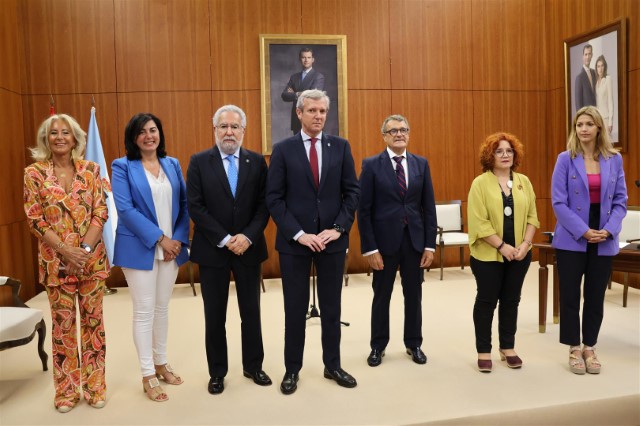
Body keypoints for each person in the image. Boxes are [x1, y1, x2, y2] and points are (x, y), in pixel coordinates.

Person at [266, 89, 360, 395]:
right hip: (295, 244)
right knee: (294, 310)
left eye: (322, 111)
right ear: (299, 113)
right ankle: (292, 369)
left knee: (332, 309)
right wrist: (299, 233)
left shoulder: (341, 147)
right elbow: (274, 198)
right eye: (312, 111)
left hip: (331, 242)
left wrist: (338, 229)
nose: (318, 116)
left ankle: (332, 365)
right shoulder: (283, 149)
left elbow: (352, 193)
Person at [23, 114, 110, 412]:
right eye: (53, 133)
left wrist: (83, 250)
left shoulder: (92, 169)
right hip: (55, 263)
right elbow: (34, 219)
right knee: (62, 329)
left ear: (75, 139)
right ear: (46, 140)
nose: (60, 137)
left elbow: (101, 212)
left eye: (66, 133)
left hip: (91, 260)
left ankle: (95, 388)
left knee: (93, 325)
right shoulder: (33, 173)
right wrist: (66, 252)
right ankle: (66, 392)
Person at [186, 105, 271, 395]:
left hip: (249, 249)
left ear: (244, 131)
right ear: (215, 130)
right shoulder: (199, 161)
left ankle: (253, 366)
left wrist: (246, 237)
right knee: (215, 315)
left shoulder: (257, 162)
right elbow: (196, 207)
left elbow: (264, 206)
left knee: (251, 312)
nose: (229, 132)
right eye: (223, 126)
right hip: (213, 250)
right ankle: (218, 372)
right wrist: (224, 238)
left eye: (235, 127)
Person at [111, 113, 190, 402]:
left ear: (160, 134)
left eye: (153, 130)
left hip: (172, 249)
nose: (148, 136)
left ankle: (161, 362)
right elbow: (126, 210)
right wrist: (161, 239)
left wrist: (177, 240)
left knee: (162, 309)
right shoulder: (122, 166)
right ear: (133, 138)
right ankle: (147, 373)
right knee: (144, 312)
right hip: (141, 248)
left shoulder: (172, 164)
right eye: (141, 132)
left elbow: (184, 204)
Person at [551, 106, 627, 375]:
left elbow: (620, 201)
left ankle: (590, 346)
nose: (583, 129)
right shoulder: (565, 159)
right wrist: (583, 230)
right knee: (570, 295)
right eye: (579, 124)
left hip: (604, 235)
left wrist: (609, 230)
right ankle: (573, 347)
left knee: (595, 296)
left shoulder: (614, 160)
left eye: (588, 124)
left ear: (598, 128)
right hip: (573, 235)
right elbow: (558, 202)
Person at [358, 114, 437, 368]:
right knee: (382, 295)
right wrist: (370, 248)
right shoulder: (371, 165)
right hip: (383, 245)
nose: (399, 134)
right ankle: (377, 346)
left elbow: (428, 207)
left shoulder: (421, 164)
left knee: (414, 295)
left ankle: (414, 343)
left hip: (414, 242)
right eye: (393, 131)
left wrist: (429, 244)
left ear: (409, 133)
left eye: (403, 129)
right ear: (384, 136)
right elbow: (364, 210)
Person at [467, 132, 539, 373]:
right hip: (488, 255)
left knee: (511, 301)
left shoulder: (523, 182)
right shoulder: (480, 183)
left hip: (519, 254)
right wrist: (502, 246)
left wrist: (525, 245)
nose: (505, 155)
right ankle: (483, 350)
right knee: (487, 301)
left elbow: (532, 217)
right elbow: (479, 222)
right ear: (491, 155)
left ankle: (507, 347)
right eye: (499, 151)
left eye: (509, 151)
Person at [281, 47, 325, 134]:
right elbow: (284, 95)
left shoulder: (318, 77)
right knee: (296, 146)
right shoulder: (294, 77)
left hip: (311, 118)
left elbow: (313, 96)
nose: (306, 60)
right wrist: (299, 94)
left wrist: (294, 93)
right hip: (296, 118)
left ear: (313, 60)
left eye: (308, 57)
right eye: (303, 57)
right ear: (300, 59)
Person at [595, 55, 614, 135]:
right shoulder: (595, 82)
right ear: (596, 68)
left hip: (605, 119)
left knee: (606, 145)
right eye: (598, 66)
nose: (600, 69)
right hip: (596, 119)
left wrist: (610, 121)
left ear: (605, 67)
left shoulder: (607, 79)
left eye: (602, 66)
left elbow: (610, 101)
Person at [575, 44, 597, 111]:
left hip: (596, 115)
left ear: (592, 55)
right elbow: (578, 106)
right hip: (586, 117)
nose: (587, 57)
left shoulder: (594, 73)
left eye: (589, 54)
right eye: (586, 54)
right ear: (583, 56)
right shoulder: (579, 78)